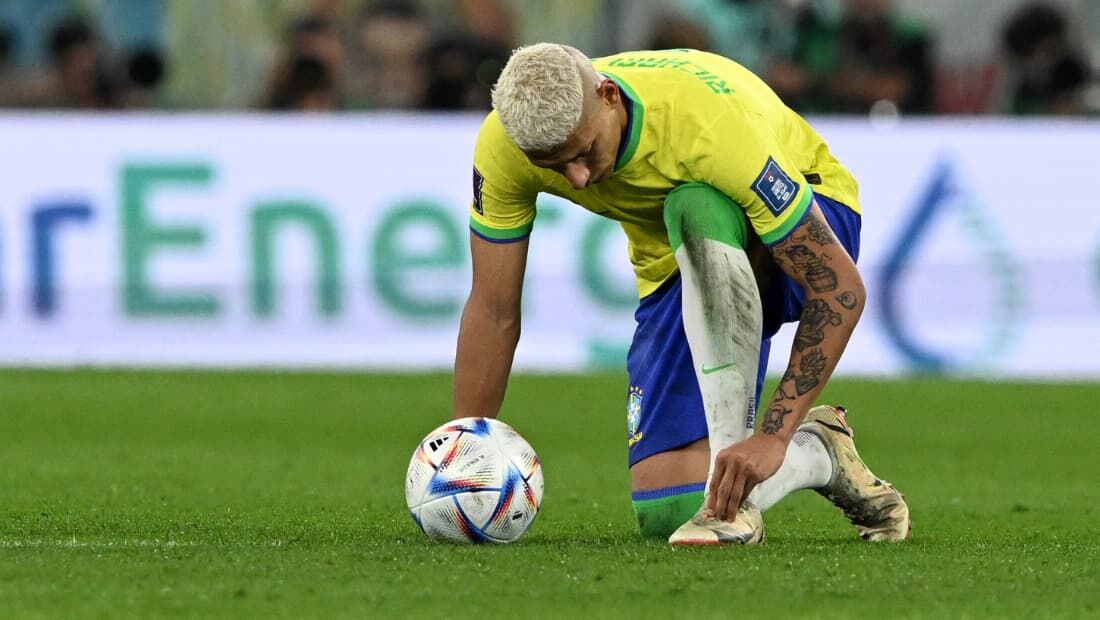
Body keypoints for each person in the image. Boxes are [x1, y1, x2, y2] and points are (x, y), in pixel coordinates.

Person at [454, 43, 911, 544]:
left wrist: (772, 436)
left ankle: (740, 493)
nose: (578, 180)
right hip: (675, 257)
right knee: (669, 511)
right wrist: (464, 456)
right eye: (553, 166)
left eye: (582, 153)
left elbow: (839, 288)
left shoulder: (708, 129)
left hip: (812, 205)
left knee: (693, 202)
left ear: (608, 97)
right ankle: (819, 453)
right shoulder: (504, 144)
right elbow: (493, 310)